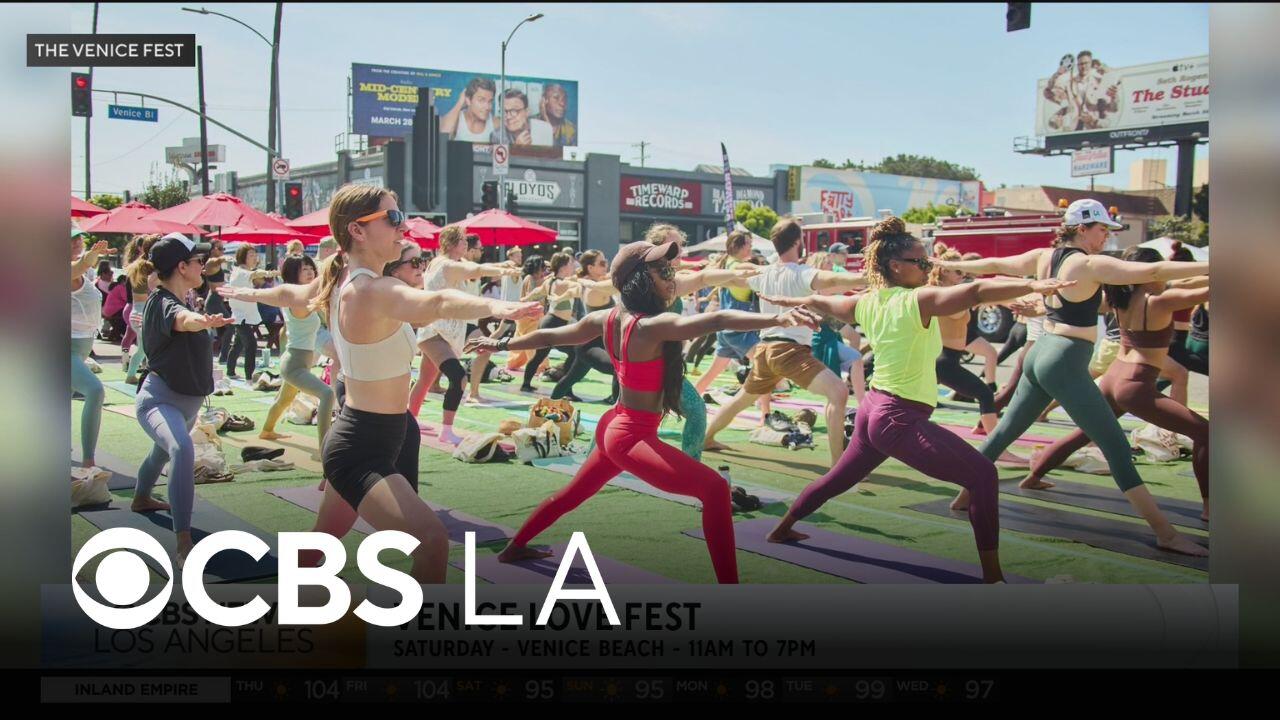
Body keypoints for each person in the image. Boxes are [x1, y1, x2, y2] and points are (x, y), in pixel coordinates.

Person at [220, 184, 540, 581]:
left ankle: (273, 600)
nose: (402, 227)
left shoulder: (342, 278)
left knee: (319, 544)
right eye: (392, 218)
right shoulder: (369, 290)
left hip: (377, 435)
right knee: (431, 542)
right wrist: (496, 305)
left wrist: (246, 292)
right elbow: (437, 303)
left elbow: (292, 293)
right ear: (357, 230)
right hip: (360, 448)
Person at [466, 240, 820, 583]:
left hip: (615, 426)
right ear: (638, 280)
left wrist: (500, 342)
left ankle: (514, 548)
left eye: (669, 269)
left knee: (571, 495)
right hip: (629, 436)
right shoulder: (649, 326)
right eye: (662, 270)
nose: (670, 276)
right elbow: (715, 320)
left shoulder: (607, 318)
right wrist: (778, 319)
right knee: (714, 489)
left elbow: (551, 337)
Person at [761, 217, 1076, 583]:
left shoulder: (867, 301)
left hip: (873, 411)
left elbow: (821, 301)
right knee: (983, 476)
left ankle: (781, 528)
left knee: (837, 480)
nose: (928, 268)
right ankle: (993, 580)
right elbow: (975, 292)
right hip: (896, 418)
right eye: (921, 262)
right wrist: (1033, 284)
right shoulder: (917, 300)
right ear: (896, 266)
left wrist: (790, 301)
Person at [935, 199, 1209, 556]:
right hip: (1062, 358)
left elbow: (995, 264)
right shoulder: (1089, 264)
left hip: (1040, 354)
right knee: (1116, 448)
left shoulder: (1043, 256)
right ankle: (1166, 534)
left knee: (1004, 432)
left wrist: (948, 264)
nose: (1105, 237)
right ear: (1082, 228)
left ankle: (962, 498)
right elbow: (1155, 271)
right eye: (1102, 229)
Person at [1022, 246, 1211, 520]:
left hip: (1112, 378)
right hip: (1135, 384)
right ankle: (1209, 507)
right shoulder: (1159, 301)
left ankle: (1033, 476)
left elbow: (1188, 283)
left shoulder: (1119, 299)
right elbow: (1205, 291)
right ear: (1147, 274)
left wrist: (1039, 307)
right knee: (1206, 434)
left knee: (1085, 432)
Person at [702, 218, 867, 467]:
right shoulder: (802, 273)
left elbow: (731, 279)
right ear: (798, 242)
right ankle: (838, 466)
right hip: (789, 351)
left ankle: (706, 438)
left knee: (741, 400)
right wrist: (870, 279)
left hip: (765, 350)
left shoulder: (763, 272)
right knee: (839, 392)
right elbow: (835, 280)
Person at [130, 233, 234, 566]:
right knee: (180, 448)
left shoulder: (181, 299)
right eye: (198, 261)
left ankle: (141, 498)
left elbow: (186, 317)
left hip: (186, 404)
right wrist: (202, 321)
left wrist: (200, 318)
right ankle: (183, 541)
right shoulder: (162, 302)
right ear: (181, 267)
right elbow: (183, 321)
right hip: (158, 401)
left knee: (159, 453)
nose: (203, 265)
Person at [405, 227, 520, 444]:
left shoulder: (444, 262)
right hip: (436, 331)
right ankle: (446, 430)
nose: (466, 244)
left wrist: (502, 267)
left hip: (443, 330)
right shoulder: (447, 265)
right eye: (462, 241)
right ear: (450, 243)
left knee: (425, 380)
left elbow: (475, 268)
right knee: (458, 377)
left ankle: (410, 422)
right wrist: (503, 269)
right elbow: (476, 270)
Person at [930, 243, 1026, 463]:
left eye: (964, 271)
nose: (963, 275)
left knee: (917, 406)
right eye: (958, 271)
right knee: (984, 395)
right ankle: (997, 450)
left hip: (948, 359)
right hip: (942, 360)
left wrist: (1019, 298)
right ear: (944, 270)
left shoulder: (956, 292)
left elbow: (988, 294)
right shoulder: (939, 293)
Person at [256, 254, 337, 458]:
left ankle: (267, 430)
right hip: (295, 365)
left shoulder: (298, 297)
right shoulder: (299, 300)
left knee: (284, 400)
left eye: (311, 268)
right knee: (327, 394)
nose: (310, 272)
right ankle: (324, 448)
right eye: (304, 270)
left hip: (296, 361)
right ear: (293, 274)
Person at [693, 231, 761, 397]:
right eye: (749, 243)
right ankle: (763, 408)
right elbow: (753, 270)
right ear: (738, 246)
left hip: (727, 328)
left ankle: (689, 399)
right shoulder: (736, 266)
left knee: (713, 372)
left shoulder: (727, 264)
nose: (751, 246)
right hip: (737, 328)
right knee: (763, 365)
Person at [549, 249, 621, 403]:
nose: (606, 266)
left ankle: (552, 401)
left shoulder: (591, 285)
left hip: (592, 343)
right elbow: (617, 285)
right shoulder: (595, 290)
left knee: (569, 379)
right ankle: (617, 404)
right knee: (619, 368)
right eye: (602, 263)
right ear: (590, 268)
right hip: (590, 345)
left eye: (606, 262)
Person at [71, 228, 112, 474]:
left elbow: (82, 266)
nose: (77, 241)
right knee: (95, 391)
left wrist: (91, 258)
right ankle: (88, 462)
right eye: (70, 239)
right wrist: (90, 257)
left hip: (80, 348)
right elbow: (79, 266)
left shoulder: (83, 272)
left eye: (78, 237)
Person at [517, 252, 582, 394]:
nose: (573, 266)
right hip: (554, 324)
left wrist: (525, 299)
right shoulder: (562, 283)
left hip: (549, 323)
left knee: (539, 356)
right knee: (574, 353)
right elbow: (578, 288)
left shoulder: (550, 281)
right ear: (563, 267)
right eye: (570, 263)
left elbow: (537, 291)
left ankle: (526, 384)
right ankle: (566, 390)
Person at [225, 244, 275, 381]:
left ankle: (230, 371)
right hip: (240, 316)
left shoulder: (242, 271)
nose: (255, 258)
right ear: (243, 257)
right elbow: (254, 274)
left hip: (243, 316)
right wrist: (269, 273)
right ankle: (249, 377)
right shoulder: (241, 272)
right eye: (251, 255)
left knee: (238, 344)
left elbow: (254, 275)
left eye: (255, 255)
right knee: (251, 344)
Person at [122, 234, 162, 385]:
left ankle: (131, 375)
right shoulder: (149, 267)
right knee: (151, 348)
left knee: (142, 350)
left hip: (136, 312)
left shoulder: (138, 265)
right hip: (143, 313)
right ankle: (150, 378)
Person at [441, 77, 496, 142]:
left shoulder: (495, 124)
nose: (487, 107)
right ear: (468, 100)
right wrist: (460, 102)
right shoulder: (456, 120)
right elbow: (443, 135)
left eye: (490, 101)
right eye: (481, 100)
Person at [538, 83, 576, 147]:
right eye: (556, 98)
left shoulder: (571, 129)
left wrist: (546, 120)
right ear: (544, 101)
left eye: (564, 99)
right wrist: (545, 118)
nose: (562, 103)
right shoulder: (530, 124)